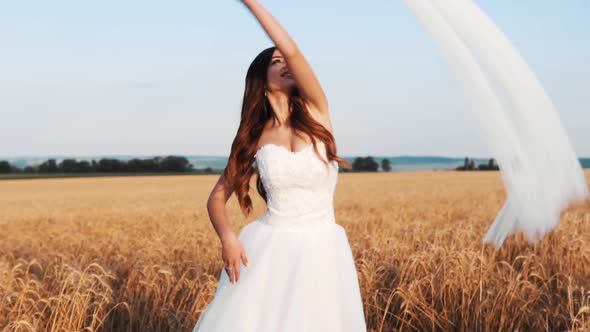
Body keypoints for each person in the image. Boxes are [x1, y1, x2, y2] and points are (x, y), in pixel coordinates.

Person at [193, 1, 367, 331]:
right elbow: (216, 198)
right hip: (269, 250)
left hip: (322, 250)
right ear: (261, 76)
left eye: (286, 58)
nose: (286, 63)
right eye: (276, 61)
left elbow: (295, 52)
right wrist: (227, 238)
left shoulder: (318, 111)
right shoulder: (254, 137)